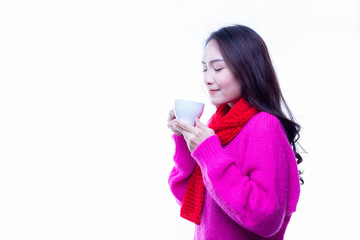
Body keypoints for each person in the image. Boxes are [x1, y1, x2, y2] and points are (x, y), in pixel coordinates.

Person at [167, 25, 303, 240]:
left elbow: (264, 218)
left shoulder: (263, 125)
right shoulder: (218, 127)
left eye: (218, 68)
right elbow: (189, 200)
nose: (207, 78)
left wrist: (208, 153)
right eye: (205, 69)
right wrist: (186, 141)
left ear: (247, 70)